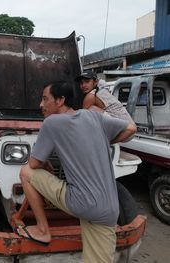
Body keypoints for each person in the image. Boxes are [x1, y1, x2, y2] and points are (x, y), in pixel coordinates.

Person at [16, 81, 136, 263]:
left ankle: (42, 230)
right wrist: (102, 142)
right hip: (108, 209)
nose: (41, 104)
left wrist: (44, 163)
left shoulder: (51, 122)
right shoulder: (94, 117)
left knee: (25, 172)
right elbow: (130, 129)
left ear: (60, 100)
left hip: (80, 202)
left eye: (45, 99)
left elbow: (33, 163)